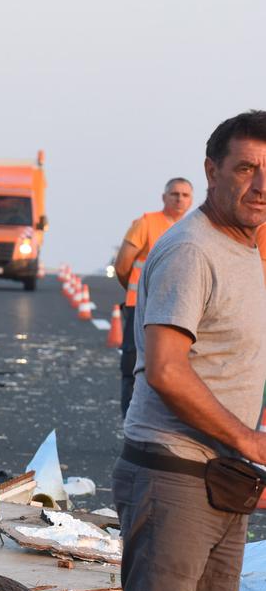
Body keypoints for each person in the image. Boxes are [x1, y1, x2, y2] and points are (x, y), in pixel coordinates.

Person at [94, 111, 266, 591]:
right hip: (172, 473)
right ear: (211, 171)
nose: (258, 185)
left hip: (224, 479)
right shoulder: (190, 250)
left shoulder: (251, 251)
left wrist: (252, 456)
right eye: (245, 168)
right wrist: (248, 441)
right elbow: (164, 369)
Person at [113, 178, 194, 415]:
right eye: (174, 194)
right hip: (140, 307)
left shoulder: (195, 228)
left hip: (177, 309)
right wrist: (136, 295)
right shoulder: (147, 223)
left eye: (185, 195)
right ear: (164, 197)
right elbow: (123, 265)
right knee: (133, 365)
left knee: (173, 367)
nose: (179, 199)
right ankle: (129, 422)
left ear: (191, 200)